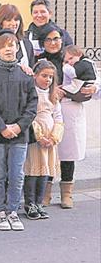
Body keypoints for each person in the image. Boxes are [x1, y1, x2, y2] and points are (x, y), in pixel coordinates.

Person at [0, 30, 38, 232]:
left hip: (19, 135)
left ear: (17, 48)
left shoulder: (25, 74)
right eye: (3, 46)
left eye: (12, 44)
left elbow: (32, 104)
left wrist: (19, 126)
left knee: (17, 174)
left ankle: (12, 211)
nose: (8, 48)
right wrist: (2, 127)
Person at [38, 29, 100, 209]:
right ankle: (46, 193)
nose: (52, 43)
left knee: (68, 154)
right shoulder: (40, 60)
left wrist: (94, 89)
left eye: (56, 39)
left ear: (62, 40)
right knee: (48, 151)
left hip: (71, 110)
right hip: (48, 110)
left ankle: (67, 194)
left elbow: (93, 81)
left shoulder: (77, 61)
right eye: (48, 39)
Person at [22, 60, 63, 220]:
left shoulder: (53, 96)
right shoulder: (31, 93)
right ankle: (29, 203)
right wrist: (39, 136)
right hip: (35, 138)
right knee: (33, 171)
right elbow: (30, 115)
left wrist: (54, 137)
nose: (47, 80)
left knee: (45, 171)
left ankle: (39, 202)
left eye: (51, 77)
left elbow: (58, 117)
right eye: (44, 76)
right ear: (35, 75)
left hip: (50, 140)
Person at [0, 4, 35, 73]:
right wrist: (20, 68)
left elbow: (32, 70)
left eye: (16, 19)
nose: (13, 23)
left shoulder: (27, 44)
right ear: (0, 22)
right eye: (9, 20)